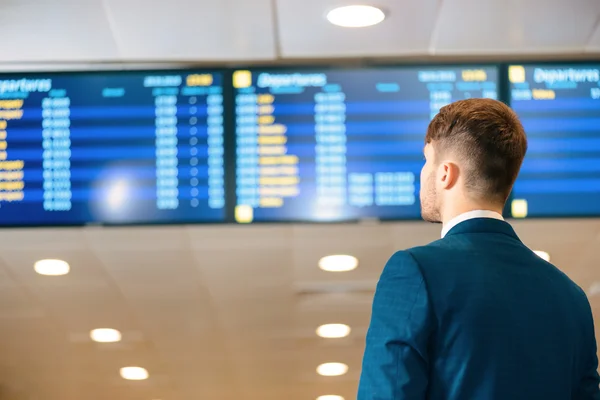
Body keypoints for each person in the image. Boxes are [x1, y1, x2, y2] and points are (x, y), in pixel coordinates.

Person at [358, 98, 600, 399]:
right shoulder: (572, 298)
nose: (422, 173)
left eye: (426, 160)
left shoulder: (415, 271)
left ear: (446, 173)